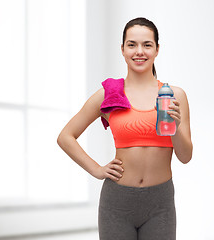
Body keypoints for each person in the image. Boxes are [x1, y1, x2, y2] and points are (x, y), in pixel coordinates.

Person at [57, 17, 192, 240]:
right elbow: (65, 136)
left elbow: (185, 157)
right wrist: (96, 169)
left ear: (157, 49)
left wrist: (175, 128)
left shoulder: (174, 96)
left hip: (160, 204)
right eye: (132, 44)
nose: (139, 51)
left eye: (147, 45)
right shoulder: (109, 94)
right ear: (122, 49)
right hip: (117, 203)